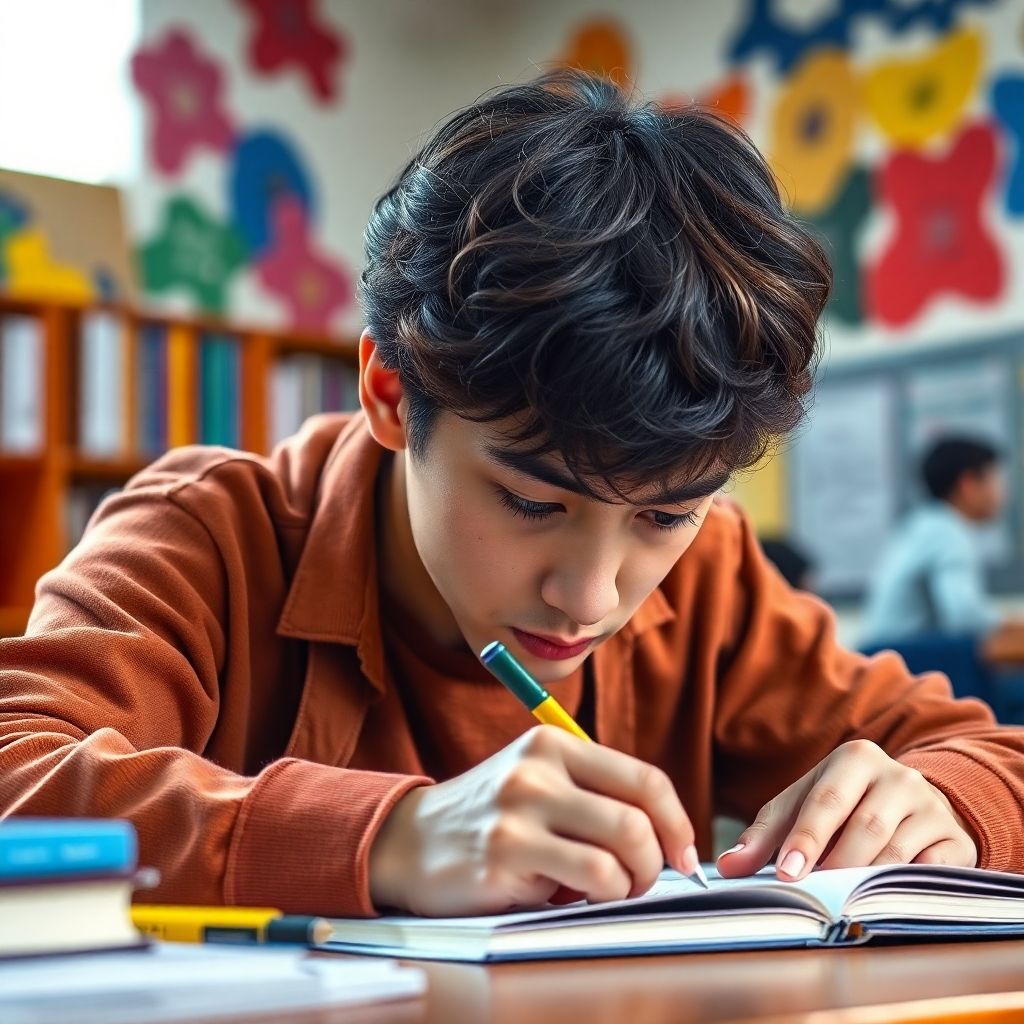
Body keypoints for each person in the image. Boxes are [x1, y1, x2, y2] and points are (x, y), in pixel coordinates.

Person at [1, 71, 1021, 921]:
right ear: (390, 394)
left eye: (662, 514)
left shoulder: (710, 578)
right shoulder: (204, 533)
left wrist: (942, 800)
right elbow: (17, 771)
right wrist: (387, 838)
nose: (590, 594)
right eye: (534, 502)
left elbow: (989, 753)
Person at [861, 437, 1006, 647]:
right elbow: (964, 615)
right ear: (968, 485)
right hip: (908, 655)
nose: (1002, 492)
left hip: (883, 653)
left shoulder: (921, 524)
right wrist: (1008, 624)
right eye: (995, 480)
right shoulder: (948, 532)